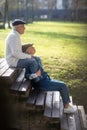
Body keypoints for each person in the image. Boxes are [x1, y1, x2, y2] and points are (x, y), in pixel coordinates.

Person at [23, 45, 77, 114]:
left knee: (62, 85)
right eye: (31, 47)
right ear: (28, 51)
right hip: (41, 83)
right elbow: (26, 75)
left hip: (45, 79)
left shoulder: (36, 58)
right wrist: (35, 75)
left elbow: (41, 70)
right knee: (63, 86)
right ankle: (67, 107)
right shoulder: (28, 61)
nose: (34, 47)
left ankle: (67, 104)